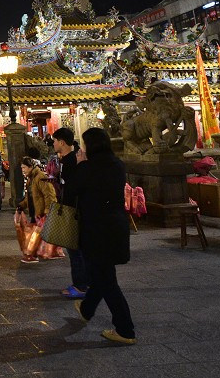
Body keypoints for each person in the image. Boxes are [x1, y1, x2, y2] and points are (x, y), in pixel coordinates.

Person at [72, 127, 136, 345]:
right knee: (103, 273)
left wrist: (79, 166)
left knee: (107, 281)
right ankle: (87, 309)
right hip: (116, 226)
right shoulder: (117, 165)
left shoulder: (88, 168)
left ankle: (125, 330)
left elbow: (72, 193)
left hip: (96, 229)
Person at [53, 127, 89, 299]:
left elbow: (74, 186)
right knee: (76, 249)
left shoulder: (71, 161)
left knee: (75, 249)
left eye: (54, 141)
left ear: (61, 142)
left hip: (73, 210)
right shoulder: (69, 159)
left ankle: (81, 285)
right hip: (73, 208)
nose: (53, 144)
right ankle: (82, 283)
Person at [19, 156, 65, 264]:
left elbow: (50, 194)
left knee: (34, 235)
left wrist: (47, 210)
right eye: (22, 168)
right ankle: (42, 253)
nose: (23, 170)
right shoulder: (31, 178)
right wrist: (21, 205)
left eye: (24, 167)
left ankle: (31, 255)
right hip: (34, 211)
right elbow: (30, 197)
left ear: (31, 167)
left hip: (40, 212)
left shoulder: (40, 177)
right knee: (36, 235)